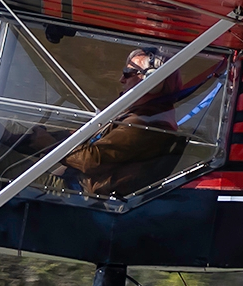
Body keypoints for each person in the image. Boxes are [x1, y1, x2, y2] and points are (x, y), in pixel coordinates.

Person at [58, 47, 188, 197]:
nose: (121, 79)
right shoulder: (143, 113)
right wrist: (54, 137)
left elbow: (93, 160)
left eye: (128, 73)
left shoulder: (147, 123)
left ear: (153, 80)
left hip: (87, 194)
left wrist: (43, 143)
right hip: (81, 183)